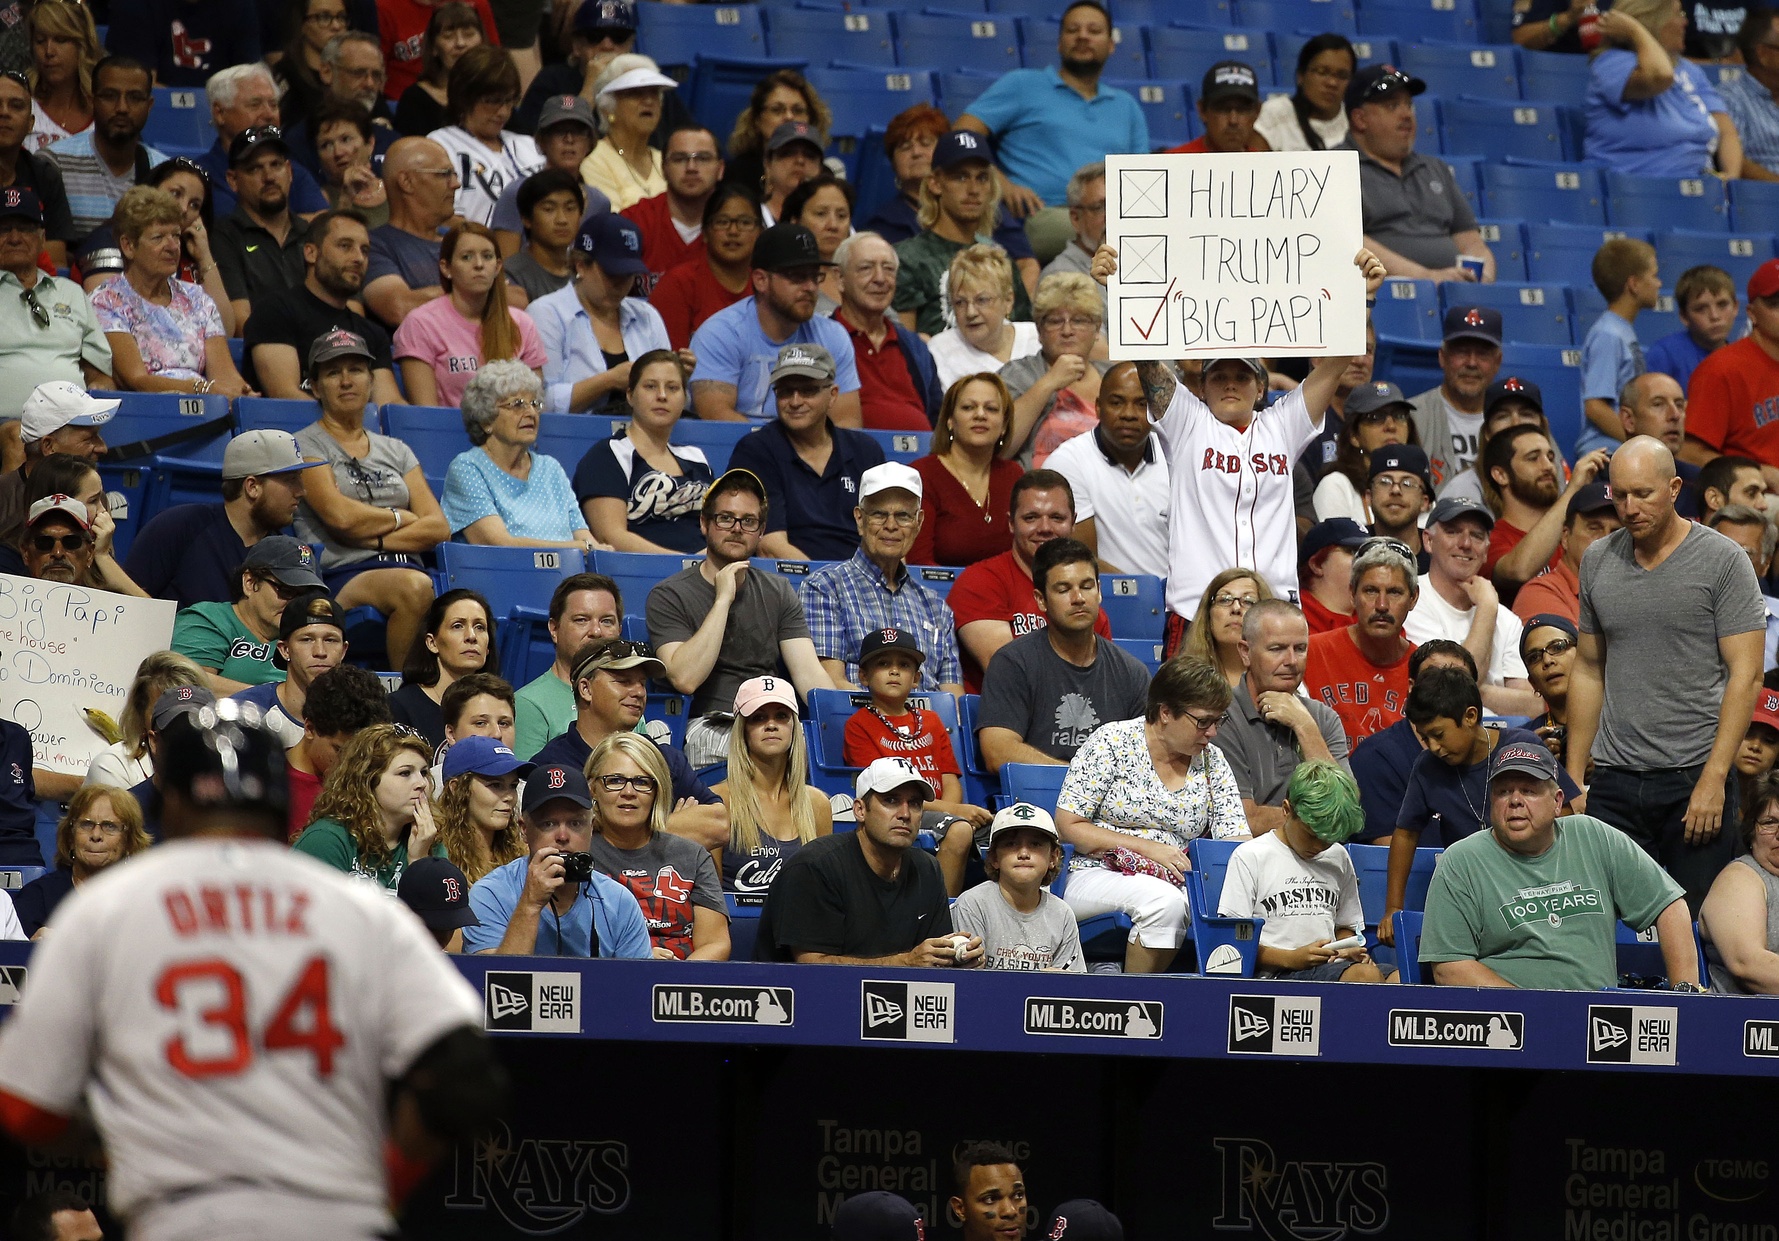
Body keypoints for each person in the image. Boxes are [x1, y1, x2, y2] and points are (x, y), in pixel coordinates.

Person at [0, 700, 505, 1241]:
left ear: (168, 802)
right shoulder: (361, 908)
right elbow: (468, 1080)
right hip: (336, 1217)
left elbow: (24, 1108)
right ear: (281, 801)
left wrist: (116, 1140)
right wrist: (387, 1182)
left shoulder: (107, 910)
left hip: (187, 1218)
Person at [1087, 246, 1386, 638]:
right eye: (1218, 375)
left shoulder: (1282, 425)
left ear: (1260, 385)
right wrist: (1120, 290)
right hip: (1199, 613)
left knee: (1276, 704)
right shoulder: (1187, 423)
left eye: (1241, 375)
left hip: (1273, 611)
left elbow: (1337, 362)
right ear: (1202, 385)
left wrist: (1362, 298)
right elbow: (1147, 358)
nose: (1230, 382)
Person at [1567, 436, 1767, 914]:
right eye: (1620, 495)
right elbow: (1590, 669)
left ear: (1675, 487)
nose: (1630, 507)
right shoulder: (1597, 561)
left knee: (1696, 928)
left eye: (1644, 493)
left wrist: (1715, 778)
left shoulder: (1723, 560)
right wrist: (1574, 774)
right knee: (1607, 929)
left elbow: (1748, 675)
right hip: (1615, 779)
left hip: (1694, 775)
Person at [1421, 738, 1702, 991]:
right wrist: (1534, 1011)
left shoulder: (1593, 836)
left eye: (1529, 791)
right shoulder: (1461, 861)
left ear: (1557, 802)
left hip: (1598, 1023)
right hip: (1509, 1026)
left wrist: (1686, 995)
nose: (1516, 801)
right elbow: (1449, 969)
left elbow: (1670, 907)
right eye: (1504, 791)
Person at [1055, 658, 1248, 974]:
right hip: (1094, 870)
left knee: (1226, 906)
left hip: (1178, 879)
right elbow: (1068, 825)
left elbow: (1235, 840)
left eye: (1218, 720)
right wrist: (1147, 849)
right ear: (1165, 712)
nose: (1212, 732)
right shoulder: (1112, 742)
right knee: (1165, 904)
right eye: (1202, 721)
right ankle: (1133, 1003)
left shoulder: (1212, 761)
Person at [648, 467, 833, 766]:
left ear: (761, 532)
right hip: (711, 723)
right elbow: (684, 678)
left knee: (816, 754)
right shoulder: (669, 595)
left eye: (748, 521)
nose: (737, 528)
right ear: (704, 524)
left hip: (772, 720)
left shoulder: (779, 590)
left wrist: (837, 727)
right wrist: (723, 599)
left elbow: (810, 677)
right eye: (725, 518)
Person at [292, 329, 444, 669]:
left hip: (403, 565)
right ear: (315, 387)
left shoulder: (396, 449)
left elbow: (437, 527)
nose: (347, 381)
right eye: (333, 372)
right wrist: (402, 517)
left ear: (371, 380)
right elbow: (340, 518)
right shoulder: (304, 445)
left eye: (356, 370)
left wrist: (373, 536)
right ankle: (409, 697)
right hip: (343, 573)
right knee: (416, 588)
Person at [957, 1, 1148, 262]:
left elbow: (1142, 179)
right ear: (1059, 42)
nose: (1083, 36)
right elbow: (962, 135)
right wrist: (1001, 184)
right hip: (1044, 215)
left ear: (1111, 45)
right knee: (1124, 242)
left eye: (1094, 30)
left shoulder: (1127, 106)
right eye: (1073, 30)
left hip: (1110, 214)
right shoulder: (1022, 84)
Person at [1390, 665, 1585, 919]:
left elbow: (1567, 811)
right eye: (1426, 739)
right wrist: (1393, 907)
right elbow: (1405, 834)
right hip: (1468, 888)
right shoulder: (1427, 767)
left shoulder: (1522, 746)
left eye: (1439, 734)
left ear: (1470, 716)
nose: (1435, 747)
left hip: (1535, 881)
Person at [754, 757, 980, 966]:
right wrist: (905, 963)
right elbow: (812, 966)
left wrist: (956, 960)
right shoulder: (815, 867)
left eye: (914, 803)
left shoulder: (927, 869)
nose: (905, 814)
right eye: (891, 800)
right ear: (860, 810)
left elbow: (933, 959)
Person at [529, 638, 727, 847]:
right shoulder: (552, 767)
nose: (639, 692)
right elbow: (560, 843)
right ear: (586, 689)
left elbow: (720, 824)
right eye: (623, 681)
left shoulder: (666, 759)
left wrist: (613, 831)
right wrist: (670, 826)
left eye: (642, 683)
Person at [974, 535, 1146, 774]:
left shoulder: (1132, 672)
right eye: (1064, 589)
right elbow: (997, 752)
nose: (1078, 599)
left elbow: (1150, 761)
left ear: (1099, 592)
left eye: (1086, 586)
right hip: (1035, 803)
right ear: (1041, 600)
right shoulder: (1012, 663)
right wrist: (1079, 778)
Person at [842, 626, 987, 893]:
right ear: (863, 675)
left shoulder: (931, 721)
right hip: (896, 810)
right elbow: (878, 792)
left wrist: (950, 809)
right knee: (960, 831)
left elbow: (950, 780)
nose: (894, 671)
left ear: (917, 678)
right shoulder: (859, 724)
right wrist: (954, 812)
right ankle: (941, 917)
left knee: (1008, 831)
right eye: (883, 663)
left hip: (940, 811)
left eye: (904, 665)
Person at [802, 461, 967, 694]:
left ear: (919, 522)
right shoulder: (825, 588)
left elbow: (953, 701)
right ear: (860, 519)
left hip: (928, 727)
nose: (891, 526)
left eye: (903, 516)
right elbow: (830, 686)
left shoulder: (937, 608)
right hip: (857, 726)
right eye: (879, 514)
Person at [1220, 761, 1391, 981]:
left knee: (1397, 978)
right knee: (1365, 977)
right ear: (1286, 810)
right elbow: (1234, 942)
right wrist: (1291, 958)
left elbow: (1346, 926)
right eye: (1312, 835)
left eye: (1329, 839)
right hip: (1276, 972)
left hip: (1329, 966)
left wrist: (1347, 949)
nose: (1320, 846)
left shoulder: (1338, 856)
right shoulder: (1252, 856)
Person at [462, 760, 653, 957]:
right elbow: (494, 982)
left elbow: (637, 984)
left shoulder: (619, 902)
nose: (563, 836)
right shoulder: (491, 895)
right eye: (549, 823)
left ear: (591, 827)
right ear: (524, 830)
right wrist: (530, 905)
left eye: (576, 823)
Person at [689, 222, 861, 424]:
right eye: (797, 277)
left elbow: (847, 424)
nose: (810, 287)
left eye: (815, 277)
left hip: (808, 453)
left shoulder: (832, 336)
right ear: (761, 280)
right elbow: (717, 419)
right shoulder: (720, 334)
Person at [728, 343, 885, 561]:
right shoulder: (756, 450)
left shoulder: (866, 451)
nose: (795, 401)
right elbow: (770, 545)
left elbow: (886, 539)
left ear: (833, 395)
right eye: (785, 392)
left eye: (808, 390)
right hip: (788, 583)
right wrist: (828, 585)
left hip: (861, 580)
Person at [863, 103, 1039, 296]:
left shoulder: (985, 209)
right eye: (905, 147)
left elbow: (1027, 263)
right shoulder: (885, 225)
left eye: (926, 143)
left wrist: (1007, 310)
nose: (916, 152)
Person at [92, 185, 249, 397]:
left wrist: (242, 393)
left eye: (176, 236)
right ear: (128, 245)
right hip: (150, 411)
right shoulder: (106, 300)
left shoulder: (197, 298)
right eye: (158, 238)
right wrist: (201, 389)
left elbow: (225, 375)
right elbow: (137, 380)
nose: (173, 246)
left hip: (207, 408)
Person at [582, 732, 728, 960]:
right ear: (593, 788)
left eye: (641, 782)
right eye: (615, 781)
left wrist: (673, 981)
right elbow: (570, 941)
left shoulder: (693, 855)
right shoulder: (579, 855)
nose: (628, 792)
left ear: (657, 790)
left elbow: (715, 943)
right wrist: (640, 960)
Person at [1343, 64, 1494, 283]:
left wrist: (1483, 277)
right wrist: (1425, 278)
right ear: (1360, 119)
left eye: (1409, 105)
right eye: (1393, 106)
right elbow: (1350, 243)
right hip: (1382, 296)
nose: (1406, 115)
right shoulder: (1336, 168)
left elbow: (1470, 241)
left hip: (1452, 291)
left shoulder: (1435, 169)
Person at [1216, 600, 1352, 836]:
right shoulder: (1221, 716)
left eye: (1300, 648)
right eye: (1276, 648)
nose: (1291, 661)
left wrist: (1304, 726)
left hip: (1318, 858)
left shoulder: (1322, 718)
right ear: (1245, 652)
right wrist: (1321, 819)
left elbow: (1347, 811)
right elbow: (1244, 819)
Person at [242, 208, 403, 403]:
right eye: (345, 246)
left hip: (357, 431)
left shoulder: (372, 333)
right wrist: (342, 427)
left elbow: (388, 405)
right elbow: (285, 396)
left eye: (365, 250)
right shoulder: (274, 311)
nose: (359, 258)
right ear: (311, 253)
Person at [1403, 497, 1541, 714]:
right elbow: (1449, 694)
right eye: (1452, 532)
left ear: (1486, 550)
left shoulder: (1507, 619)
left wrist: (1476, 691)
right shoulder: (1411, 601)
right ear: (1428, 541)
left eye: (1476, 536)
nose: (1466, 544)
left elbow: (1534, 705)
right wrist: (1486, 608)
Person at [893, 130, 1035, 337]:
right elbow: (907, 349)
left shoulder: (1000, 261)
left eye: (982, 178)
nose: (973, 189)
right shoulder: (906, 259)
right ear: (935, 183)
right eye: (960, 177)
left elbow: (1024, 336)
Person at [443, 360, 598, 549]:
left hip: (569, 575)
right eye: (518, 404)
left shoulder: (550, 468)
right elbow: (499, 544)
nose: (531, 412)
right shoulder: (467, 469)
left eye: (535, 404)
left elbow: (585, 537)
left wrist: (597, 549)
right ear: (486, 420)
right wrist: (578, 548)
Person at [532, 212, 673, 415]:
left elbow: (676, 403)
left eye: (628, 275)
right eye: (612, 274)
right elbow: (540, 402)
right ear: (581, 264)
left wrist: (676, 379)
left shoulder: (647, 316)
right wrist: (607, 381)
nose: (620, 284)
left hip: (643, 438)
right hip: (569, 439)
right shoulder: (547, 314)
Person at [1584, 0, 1743, 179]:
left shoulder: (1690, 70)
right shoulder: (1612, 63)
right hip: (1635, 189)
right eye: (1678, 14)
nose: (1685, 22)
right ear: (1653, 21)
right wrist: (1636, 31)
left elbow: (1727, 131)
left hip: (1697, 188)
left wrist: (1730, 178)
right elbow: (1660, 77)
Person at [393, 221, 546, 406]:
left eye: (487, 256)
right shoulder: (421, 323)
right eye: (467, 257)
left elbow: (535, 405)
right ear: (446, 268)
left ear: (498, 267)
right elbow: (426, 414)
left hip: (510, 433)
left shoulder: (522, 323)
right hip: (447, 432)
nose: (479, 265)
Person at [713, 675, 832, 904]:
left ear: (794, 727)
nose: (771, 725)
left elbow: (822, 896)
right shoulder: (718, 801)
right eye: (758, 718)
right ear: (743, 730)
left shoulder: (818, 805)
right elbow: (711, 900)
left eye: (781, 716)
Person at [574, 351, 709, 551]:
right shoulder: (607, 456)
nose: (662, 396)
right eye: (650, 386)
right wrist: (686, 565)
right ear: (630, 395)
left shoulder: (696, 457)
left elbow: (717, 528)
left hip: (702, 575)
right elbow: (611, 537)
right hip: (642, 575)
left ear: (684, 398)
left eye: (672, 388)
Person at [1350, 640, 1477, 846]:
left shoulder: (1491, 755)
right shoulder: (1374, 758)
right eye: (1433, 678)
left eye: (1458, 681)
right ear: (1411, 687)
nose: (1445, 690)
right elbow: (1386, 855)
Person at [295, 720, 448, 889]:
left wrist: (419, 861)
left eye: (424, 772)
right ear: (367, 780)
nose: (422, 783)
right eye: (405, 773)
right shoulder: (327, 841)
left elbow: (437, 915)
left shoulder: (427, 839)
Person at [0, 189, 109, 424]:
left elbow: (99, 371)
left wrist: (99, 388)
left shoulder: (71, 293)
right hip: (7, 423)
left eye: (26, 229)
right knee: (15, 440)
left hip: (69, 422)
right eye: (4, 229)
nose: (15, 238)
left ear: (41, 239)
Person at [171, 537, 327, 694]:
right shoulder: (210, 619)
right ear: (250, 582)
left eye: (303, 596)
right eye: (286, 591)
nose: (295, 604)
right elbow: (187, 683)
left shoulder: (307, 636)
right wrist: (274, 701)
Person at [1305, 537, 1420, 745]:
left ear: (1413, 598)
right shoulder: (1312, 652)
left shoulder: (1424, 669)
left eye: (1394, 592)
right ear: (1352, 594)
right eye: (1370, 591)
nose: (1382, 605)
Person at [950, 803, 1084, 972]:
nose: (1023, 854)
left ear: (1053, 857)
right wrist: (1037, 982)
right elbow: (970, 983)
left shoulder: (1062, 914)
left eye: (1035, 844)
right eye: (1011, 844)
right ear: (993, 857)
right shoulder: (973, 904)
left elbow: (1074, 987)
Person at [908, 372, 1021, 567]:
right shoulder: (922, 476)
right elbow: (920, 565)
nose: (980, 415)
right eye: (968, 407)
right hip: (940, 594)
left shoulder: (1014, 475)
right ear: (950, 420)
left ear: (1004, 425)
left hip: (1004, 594)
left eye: (991, 409)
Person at [46, 55, 163, 242]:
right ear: (91, 101)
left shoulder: (164, 170)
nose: (122, 108)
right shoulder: (54, 163)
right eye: (109, 96)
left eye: (135, 98)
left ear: (149, 106)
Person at [833, 232, 941, 432]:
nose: (880, 279)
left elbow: (939, 419)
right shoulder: (823, 340)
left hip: (918, 459)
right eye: (866, 268)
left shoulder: (915, 347)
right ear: (840, 279)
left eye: (889, 269)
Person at [1479, 425, 1606, 594]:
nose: (1548, 466)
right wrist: (1573, 488)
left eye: (1550, 457)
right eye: (1533, 458)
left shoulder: (1571, 534)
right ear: (1501, 475)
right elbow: (1519, 571)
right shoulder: (1489, 541)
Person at [196, 64, 331, 221]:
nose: (269, 115)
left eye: (273, 105)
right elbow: (234, 231)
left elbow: (323, 226)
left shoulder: (292, 170)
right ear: (220, 113)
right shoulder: (199, 177)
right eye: (255, 105)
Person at [1000, 272, 1106, 467]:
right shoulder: (1017, 374)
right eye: (1055, 321)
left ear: (1097, 330)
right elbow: (1002, 448)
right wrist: (1049, 383)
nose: (1067, 331)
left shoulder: (1113, 378)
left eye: (1079, 321)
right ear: (1039, 331)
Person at [513, 571, 623, 758]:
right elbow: (527, 784)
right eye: (582, 620)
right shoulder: (528, 704)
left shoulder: (626, 697)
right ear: (554, 629)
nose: (596, 631)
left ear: (619, 630)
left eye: (607, 621)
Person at [14, 783, 146, 938]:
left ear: (129, 841)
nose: (96, 835)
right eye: (86, 824)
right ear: (70, 837)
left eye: (109, 826)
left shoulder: (146, 900)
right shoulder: (37, 897)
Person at [428, 46, 541, 226]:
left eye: (510, 101)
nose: (503, 112)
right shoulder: (440, 145)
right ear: (464, 97)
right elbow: (439, 217)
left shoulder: (528, 145)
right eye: (493, 101)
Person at [1684, 261, 1779, 474]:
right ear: (1752, 313)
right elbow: (1689, 452)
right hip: (1754, 496)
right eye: (1775, 303)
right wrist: (1757, 473)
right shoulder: (1721, 369)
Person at [211, 125, 307, 332]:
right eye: (254, 168)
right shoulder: (225, 236)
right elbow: (239, 320)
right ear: (233, 180)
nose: (269, 176)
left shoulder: (312, 234)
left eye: (276, 165)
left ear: (289, 171)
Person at [490, 94, 608, 259]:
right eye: (560, 131)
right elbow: (504, 270)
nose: (569, 139)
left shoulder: (600, 202)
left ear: (590, 142)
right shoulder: (517, 193)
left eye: (578, 132)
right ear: (542, 141)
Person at [0, 383, 112, 550]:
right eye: (89, 439)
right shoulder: (3, 497)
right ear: (49, 447)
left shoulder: (95, 498)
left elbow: (99, 575)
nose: (103, 448)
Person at [286, 663, 392, 840]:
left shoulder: (378, 779)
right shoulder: (271, 785)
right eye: (340, 750)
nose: (354, 763)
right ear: (310, 728)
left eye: (363, 750)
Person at [363, 136, 458, 330]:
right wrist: (474, 292)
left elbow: (518, 297)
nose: (456, 184)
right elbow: (400, 307)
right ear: (407, 182)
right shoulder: (371, 245)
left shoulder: (460, 240)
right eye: (444, 174)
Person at [230, 593, 348, 748]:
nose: (320, 651)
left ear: (344, 650)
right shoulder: (247, 712)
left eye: (330, 640)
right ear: (285, 650)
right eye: (307, 639)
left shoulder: (360, 711)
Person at [1578, 237, 1661, 454]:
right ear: (1633, 284)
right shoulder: (1608, 335)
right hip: (1606, 453)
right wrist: (1642, 445)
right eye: (1654, 275)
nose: (1659, 283)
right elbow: (1595, 407)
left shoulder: (1620, 331)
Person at [386, 588, 497, 749]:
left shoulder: (499, 707)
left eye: (479, 627)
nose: (471, 636)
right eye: (458, 626)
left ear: (488, 648)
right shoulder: (400, 707)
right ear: (432, 643)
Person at [650, 183, 756, 351]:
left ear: (760, 231)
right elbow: (666, 360)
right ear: (705, 233)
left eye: (745, 222)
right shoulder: (678, 284)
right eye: (722, 222)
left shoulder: (765, 285)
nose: (733, 231)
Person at [1700, 769, 1779, 993]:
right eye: (1770, 822)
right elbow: (1748, 964)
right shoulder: (1740, 879)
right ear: (1751, 833)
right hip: (1743, 1022)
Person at [926, 243, 1042, 394]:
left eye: (982, 300)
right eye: (960, 302)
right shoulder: (940, 351)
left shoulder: (1037, 338)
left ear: (1008, 301)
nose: (970, 312)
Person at [84, 651, 207, 790]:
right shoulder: (112, 767)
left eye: (192, 712)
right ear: (139, 714)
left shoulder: (227, 762)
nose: (181, 723)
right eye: (165, 713)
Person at [621, 125, 721, 289]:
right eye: (680, 159)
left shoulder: (738, 229)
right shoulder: (633, 221)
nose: (691, 168)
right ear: (663, 168)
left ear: (720, 169)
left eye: (703, 158)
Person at [284, 32, 397, 176]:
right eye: (358, 73)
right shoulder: (300, 142)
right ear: (327, 72)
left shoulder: (393, 141)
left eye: (376, 75)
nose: (369, 83)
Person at [1511, 480, 1622, 624]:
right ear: (1565, 537)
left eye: (1617, 532)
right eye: (1594, 528)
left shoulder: (1632, 590)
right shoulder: (1540, 594)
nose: (1606, 539)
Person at [1311, 381, 1417, 524]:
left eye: (1399, 415)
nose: (1391, 426)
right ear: (1354, 436)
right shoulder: (1336, 485)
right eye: (1376, 417)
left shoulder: (1418, 484)